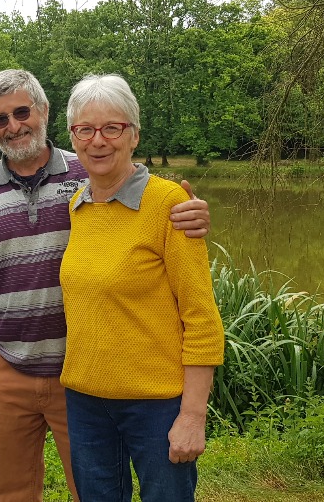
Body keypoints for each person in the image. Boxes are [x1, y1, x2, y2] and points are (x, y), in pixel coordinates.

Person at [0, 69, 211, 502]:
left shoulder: (110, 183)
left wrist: (192, 211)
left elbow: (197, 310)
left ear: (44, 112)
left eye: (22, 112)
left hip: (116, 386)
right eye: (1, 119)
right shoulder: (43, 196)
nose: (13, 125)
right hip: (57, 383)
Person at [59, 73, 225, 501]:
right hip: (85, 400)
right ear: (73, 138)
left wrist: (193, 415)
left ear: (133, 135)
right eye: (85, 129)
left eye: (112, 128)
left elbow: (201, 318)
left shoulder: (169, 204)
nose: (98, 140)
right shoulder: (78, 205)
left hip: (156, 404)